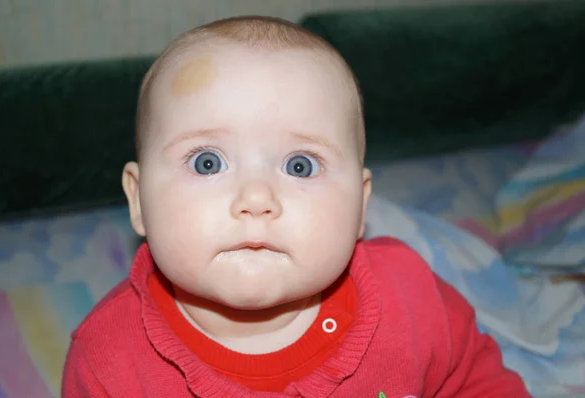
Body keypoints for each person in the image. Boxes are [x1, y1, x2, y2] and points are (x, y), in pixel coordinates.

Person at [61, 16, 530, 397]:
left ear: (361, 206)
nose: (256, 199)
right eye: (207, 162)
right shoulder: (108, 359)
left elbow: (477, 382)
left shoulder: (412, 300)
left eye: (301, 166)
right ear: (138, 200)